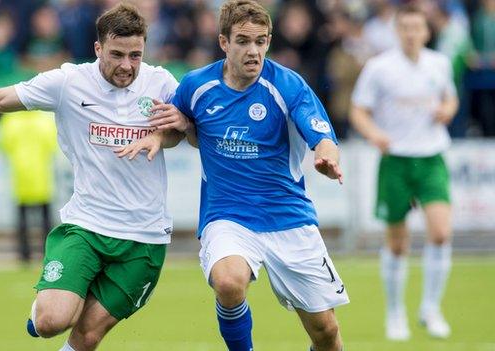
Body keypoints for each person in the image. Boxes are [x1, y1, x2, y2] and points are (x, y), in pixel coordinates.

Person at [0, 4, 184, 351]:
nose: (126, 66)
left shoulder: (161, 83)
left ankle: (73, 292)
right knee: (50, 322)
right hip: (87, 226)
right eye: (117, 54)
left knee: (87, 336)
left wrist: (163, 135)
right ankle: (57, 297)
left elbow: (187, 129)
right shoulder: (69, 83)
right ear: (98, 48)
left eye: (135, 55)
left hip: (143, 237)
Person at [119, 1, 349, 350]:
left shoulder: (288, 86)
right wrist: (159, 135)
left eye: (260, 41)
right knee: (228, 282)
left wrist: (327, 157)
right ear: (224, 42)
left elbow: (322, 135)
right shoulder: (197, 85)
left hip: (288, 217)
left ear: (269, 41)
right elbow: (179, 128)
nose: (253, 51)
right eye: (243, 41)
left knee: (326, 333)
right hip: (227, 216)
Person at [350, 4, 458, 341]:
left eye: (418, 28)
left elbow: (450, 99)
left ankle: (430, 308)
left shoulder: (438, 64)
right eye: (406, 27)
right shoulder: (379, 68)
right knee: (397, 244)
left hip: (431, 158)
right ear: (398, 31)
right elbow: (358, 110)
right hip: (395, 160)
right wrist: (373, 134)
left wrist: (446, 111)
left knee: (440, 233)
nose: (412, 34)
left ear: (426, 32)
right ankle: (395, 313)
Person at [0, 110, 58, 264]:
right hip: (42, 174)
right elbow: (53, 145)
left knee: (22, 218)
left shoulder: (9, 119)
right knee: (45, 219)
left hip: (20, 174)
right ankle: (47, 252)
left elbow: (3, 145)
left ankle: (24, 254)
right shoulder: (45, 119)